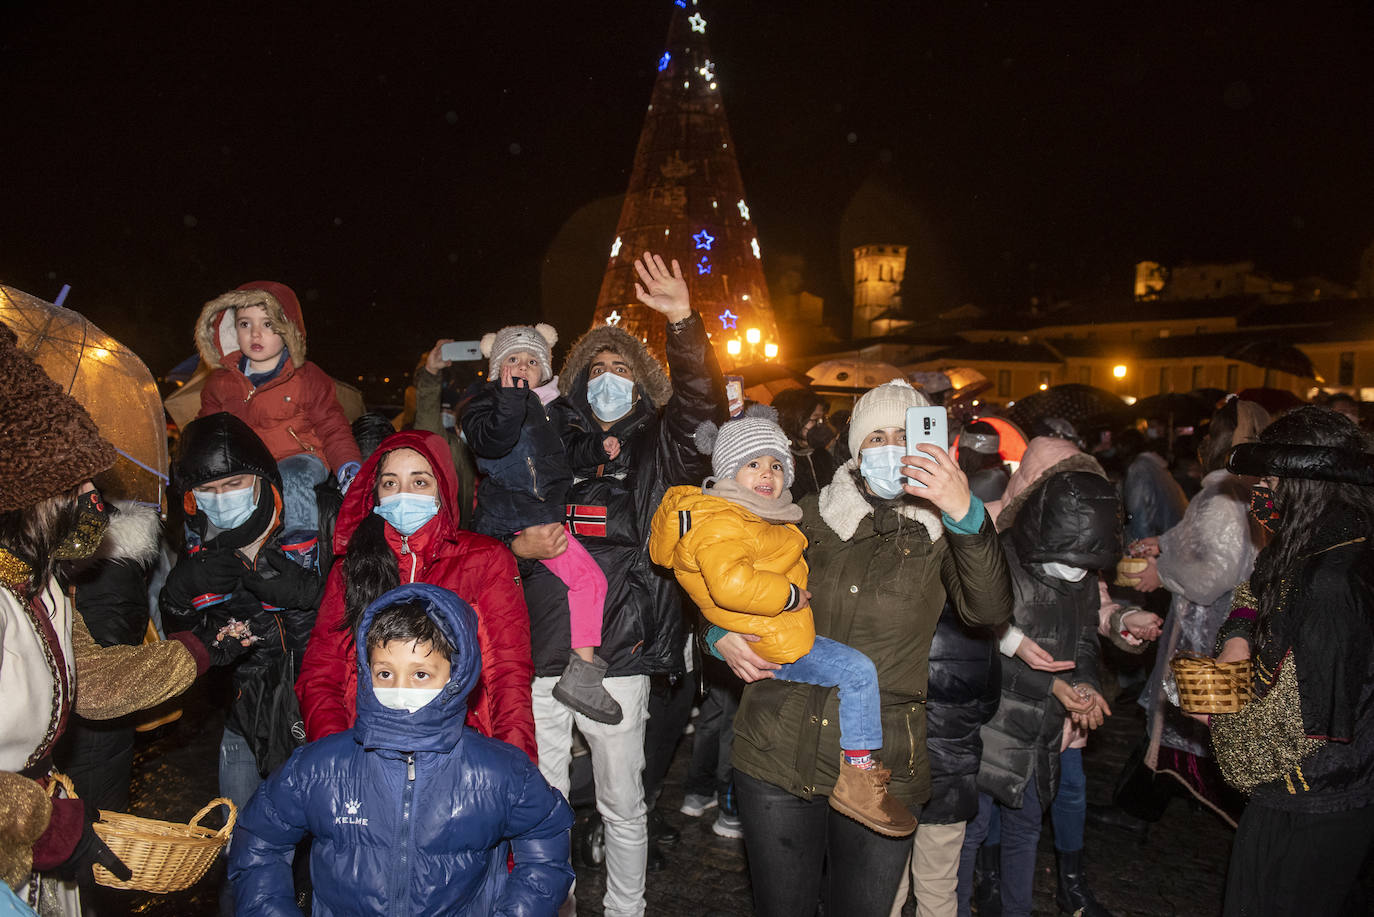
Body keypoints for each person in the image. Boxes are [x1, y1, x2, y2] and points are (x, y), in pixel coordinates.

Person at [710, 379, 1013, 917]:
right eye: (877, 436)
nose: (891, 447)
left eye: (904, 434)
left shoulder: (944, 533)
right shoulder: (802, 514)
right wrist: (717, 636)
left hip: (881, 766)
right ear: (854, 446)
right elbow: (713, 577)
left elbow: (988, 610)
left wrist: (964, 513)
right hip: (776, 748)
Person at [510, 252, 724, 917]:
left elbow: (700, 406)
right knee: (542, 802)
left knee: (621, 800)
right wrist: (518, 544)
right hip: (539, 649)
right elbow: (496, 519)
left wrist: (684, 322)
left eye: (622, 369)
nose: (607, 379)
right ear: (575, 385)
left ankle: (626, 908)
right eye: (595, 371)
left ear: (643, 384)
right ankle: (556, 900)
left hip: (620, 654)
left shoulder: (661, 447)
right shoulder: (544, 444)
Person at [0, 322, 208, 915]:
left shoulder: (42, 586)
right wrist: (43, 826)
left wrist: (198, 652)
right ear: (24, 498)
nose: (97, 497)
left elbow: (89, 680)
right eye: (77, 482)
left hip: (35, 854)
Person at [230, 583, 574, 915]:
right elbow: (260, 840)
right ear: (366, 673)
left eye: (421, 674)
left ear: (457, 676)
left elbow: (545, 841)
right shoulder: (321, 768)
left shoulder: (498, 771)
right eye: (384, 673)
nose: (400, 689)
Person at [652, 405, 916, 836]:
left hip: (784, 646)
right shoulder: (733, 517)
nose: (767, 474)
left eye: (776, 465)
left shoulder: (770, 514)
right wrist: (724, 629)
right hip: (775, 661)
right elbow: (724, 586)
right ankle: (860, 775)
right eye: (752, 464)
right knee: (857, 673)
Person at [1203, 407, 1374, 916]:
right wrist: (1236, 639)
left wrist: (1224, 719)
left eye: (1273, 478)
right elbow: (1256, 587)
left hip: (1311, 797)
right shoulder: (1315, 541)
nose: (1264, 490)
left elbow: (1311, 721)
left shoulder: (1333, 576)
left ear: (1305, 483)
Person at [295, 429, 536, 759]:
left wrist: (514, 765)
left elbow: (507, 673)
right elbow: (323, 672)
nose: (402, 493)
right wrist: (336, 756)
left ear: (442, 489)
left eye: (419, 482)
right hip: (365, 747)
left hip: (458, 750)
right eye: (390, 483)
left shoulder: (485, 558)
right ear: (375, 494)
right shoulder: (352, 567)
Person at [961, 470, 1121, 917]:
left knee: (1026, 827)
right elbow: (978, 647)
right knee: (971, 833)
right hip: (990, 724)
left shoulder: (1083, 570)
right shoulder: (1001, 561)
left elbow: (1085, 638)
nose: (1076, 572)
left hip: (1043, 728)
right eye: (1067, 561)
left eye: (1085, 564)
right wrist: (1050, 685)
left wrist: (1084, 684)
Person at [1105, 397, 1270, 829]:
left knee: (1191, 723)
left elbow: (1211, 575)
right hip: (1228, 627)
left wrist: (1162, 571)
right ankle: (1140, 805)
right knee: (1176, 730)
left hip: (1210, 632)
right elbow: (1199, 541)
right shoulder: (1242, 488)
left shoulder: (1222, 494)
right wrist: (1164, 543)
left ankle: (1141, 809)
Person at [161, 413, 325, 815]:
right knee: (241, 839)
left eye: (234, 484)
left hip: (318, 710)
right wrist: (177, 597)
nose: (221, 498)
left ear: (263, 479)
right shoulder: (198, 542)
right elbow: (189, 649)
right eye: (208, 489)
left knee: (321, 846)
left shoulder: (316, 519)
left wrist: (313, 596)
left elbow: (369, 613)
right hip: (244, 713)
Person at [463, 322, 621, 724]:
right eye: (512, 359)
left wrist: (597, 448)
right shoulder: (485, 405)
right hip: (511, 518)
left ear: (545, 370)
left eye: (532, 360)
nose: (522, 366)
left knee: (589, 582)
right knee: (587, 582)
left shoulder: (556, 409)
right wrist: (511, 399)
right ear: (496, 366)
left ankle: (580, 672)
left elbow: (569, 450)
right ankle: (582, 675)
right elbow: (492, 441)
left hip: (546, 516)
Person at [195, 281, 362, 542]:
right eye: (245, 324)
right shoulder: (221, 383)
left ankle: (300, 545)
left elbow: (333, 426)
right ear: (232, 329)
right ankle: (207, 548)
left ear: (286, 329)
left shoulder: (307, 377)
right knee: (207, 484)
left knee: (291, 476)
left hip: (300, 456)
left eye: (268, 324)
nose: (255, 334)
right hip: (247, 465)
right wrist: (195, 465)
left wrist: (348, 467)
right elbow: (207, 431)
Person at [889, 602, 1000, 917]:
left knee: (887, 888)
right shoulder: (982, 635)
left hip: (895, 774)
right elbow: (988, 705)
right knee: (938, 888)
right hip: (953, 778)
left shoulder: (896, 620)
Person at [770, 387, 836, 502]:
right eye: (815, 419)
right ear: (794, 419)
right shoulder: (776, 461)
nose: (820, 426)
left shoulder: (823, 456)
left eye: (822, 420)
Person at [956, 421, 1010, 503]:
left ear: (969, 452)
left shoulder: (981, 483)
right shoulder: (999, 474)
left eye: (961, 451)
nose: (959, 455)